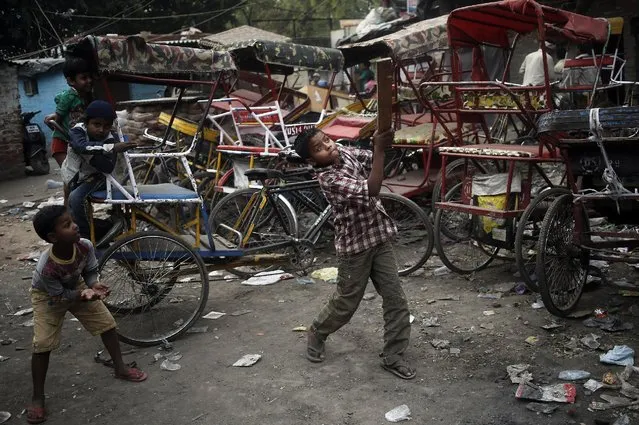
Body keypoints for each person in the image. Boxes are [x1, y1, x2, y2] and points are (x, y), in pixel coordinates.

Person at [293, 128, 415, 380]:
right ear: (311, 161)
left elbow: (376, 161)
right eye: (319, 148)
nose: (328, 146)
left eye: (326, 139)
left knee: (395, 299)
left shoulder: (345, 152)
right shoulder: (328, 178)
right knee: (346, 302)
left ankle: (393, 355)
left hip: (379, 237)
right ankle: (317, 331)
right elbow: (371, 188)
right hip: (354, 248)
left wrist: (381, 144)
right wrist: (380, 150)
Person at [27, 205, 147, 424]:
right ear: (53, 237)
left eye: (72, 221)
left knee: (107, 323)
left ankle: (120, 368)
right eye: (67, 225)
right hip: (49, 296)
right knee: (43, 343)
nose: (75, 226)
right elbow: (59, 295)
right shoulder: (47, 267)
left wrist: (94, 284)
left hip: (77, 285)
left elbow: (89, 270)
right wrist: (83, 294)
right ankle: (38, 396)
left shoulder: (84, 246)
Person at [62, 100, 137, 239]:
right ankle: (106, 228)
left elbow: (107, 167)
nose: (101, 130)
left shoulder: (109, 138)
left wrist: (90, 154)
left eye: (106, 126)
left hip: (98, 177)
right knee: (70, 212)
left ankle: (86, 237)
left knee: (76, 198)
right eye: (96, 124)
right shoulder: (77, 131)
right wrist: (110, 148)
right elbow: (80, 146)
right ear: (86, 122)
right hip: (73, 176)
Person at [44, 57, 94, 168]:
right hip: (63, 142)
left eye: (90, 77)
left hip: (78, 142)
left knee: (81, 176)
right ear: (71, 81)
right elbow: (58, 118)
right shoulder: (68, 96)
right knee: (70, 176)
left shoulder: (88, 97)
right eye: (84, 78)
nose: (89, 80)